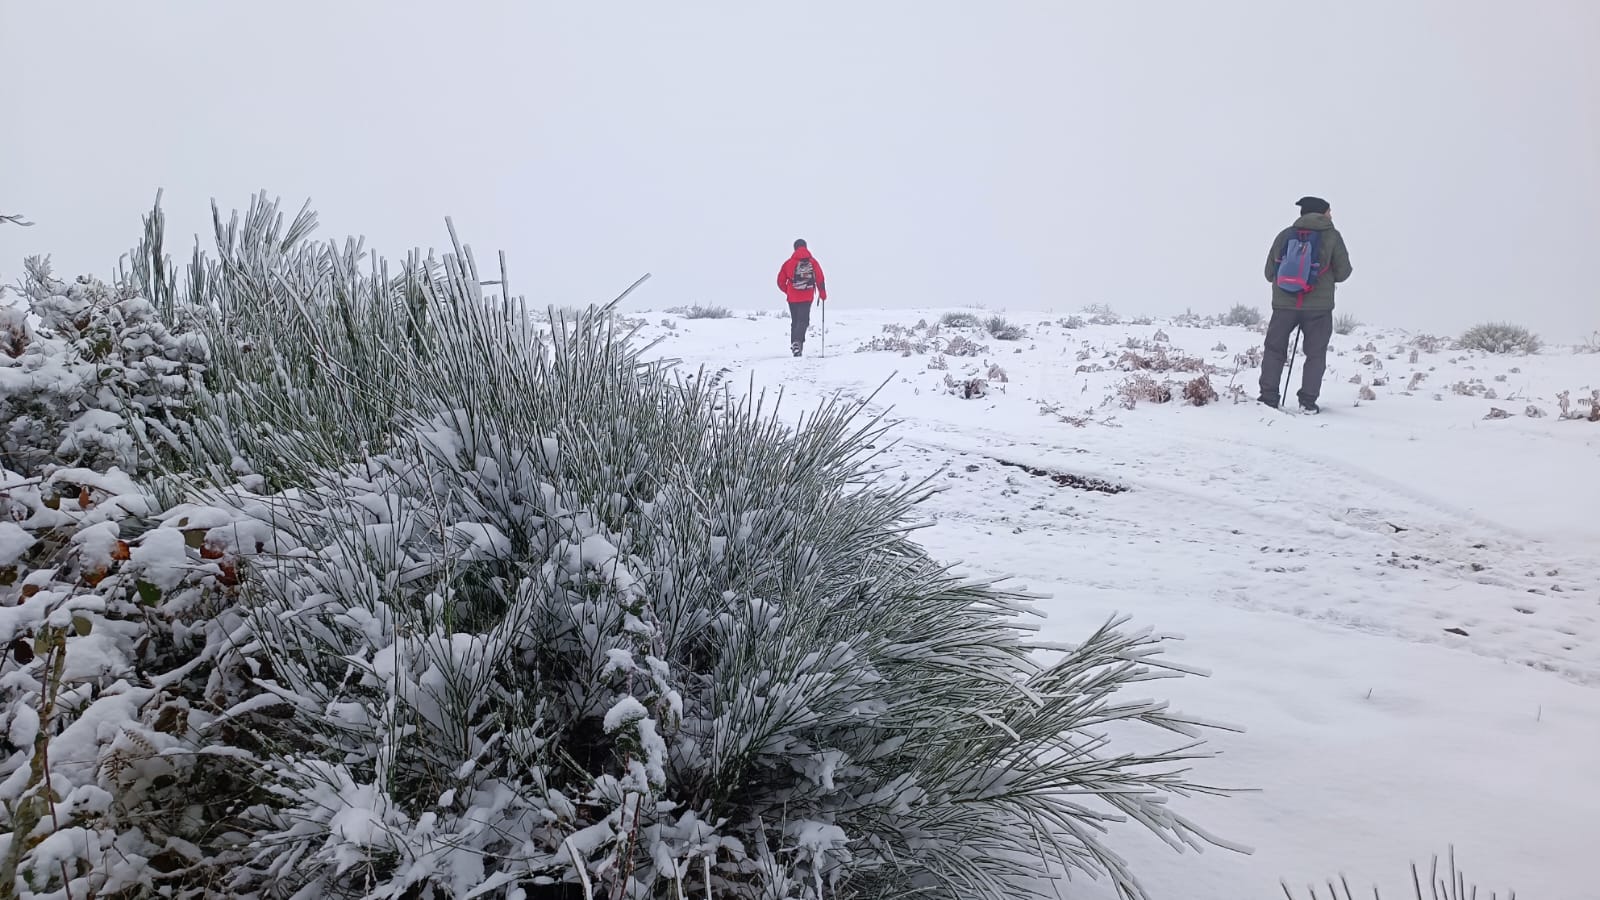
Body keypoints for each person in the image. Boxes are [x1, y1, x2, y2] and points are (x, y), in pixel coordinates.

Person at [1259, 196, 1353, 412]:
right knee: (1315, 353)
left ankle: (1268, 397)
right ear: (1321, 213)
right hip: (1319, 308)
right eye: (1329, 211)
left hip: (1283, 305)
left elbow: (1268, 273)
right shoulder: (1332, 237)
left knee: (1274, 350)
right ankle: (1307, 402)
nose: (1331, 215)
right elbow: (1343, 272)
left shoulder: (1284, 235)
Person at [776, 239, 826, 356]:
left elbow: (780, 281)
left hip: (792, 297)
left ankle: (795, 344)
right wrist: (822, 293)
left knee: (795, 321)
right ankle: (798, 343)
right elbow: (820, 278)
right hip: (807, 296)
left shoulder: (788, 263)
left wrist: (788, 291)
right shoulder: (813, 262)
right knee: (803, 321)